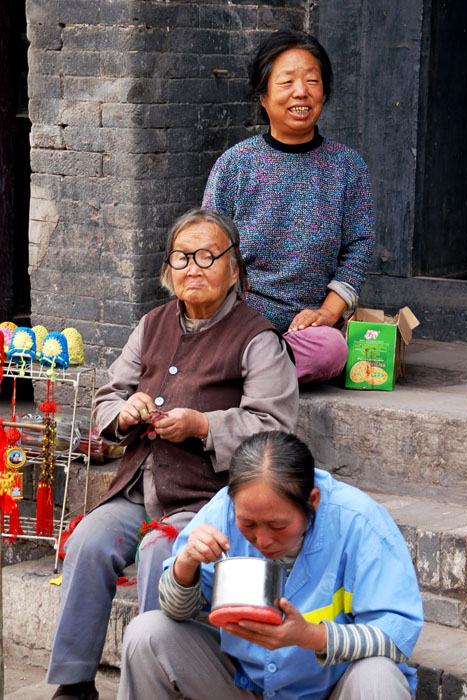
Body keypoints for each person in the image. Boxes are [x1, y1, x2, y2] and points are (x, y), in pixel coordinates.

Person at [46, 210, 298, 700]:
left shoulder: (258, 338)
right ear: (167, 268)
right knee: (87, 542)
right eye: (182, 257)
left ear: (234, 268)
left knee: (161, 551)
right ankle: (74, 686)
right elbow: (106, 399)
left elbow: (275, 428)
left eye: (207, 256)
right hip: (138, 488)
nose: (193, 268)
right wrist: (125, 412)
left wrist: (204, 425)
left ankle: (162, 682)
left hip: (206, 498)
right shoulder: (152, 324)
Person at [118, 431, 423, 700]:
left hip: (334, 689)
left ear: (312, 501)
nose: (262, 540)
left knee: (378, 675)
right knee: (147, 633)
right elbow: (177, 611)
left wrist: (309, 636)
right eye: (247, 523)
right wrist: (186, 565)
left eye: (278, 525)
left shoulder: (360, 523)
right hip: (245, 684)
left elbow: (396, 639)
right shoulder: (223, 510)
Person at [203, 30, 375, 383]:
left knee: (332, 351)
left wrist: (327, 314)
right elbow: (208, 247)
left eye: (312, 80)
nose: (301, 92)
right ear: (263, 97)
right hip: (241, 318)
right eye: (287, 82)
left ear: (323, 92)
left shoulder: (348, 167)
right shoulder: (235, 165)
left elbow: (359, 248)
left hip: (307, 327)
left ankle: (237, 372)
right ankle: (254, 367)